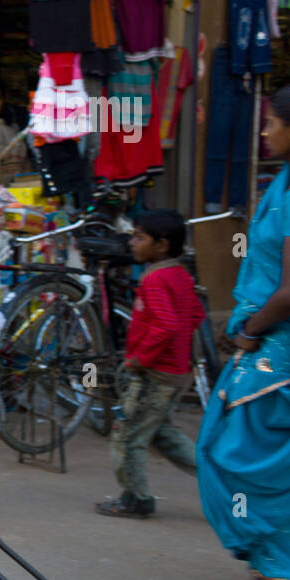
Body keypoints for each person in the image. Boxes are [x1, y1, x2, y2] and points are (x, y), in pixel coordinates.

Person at [197, 84, 290, 580]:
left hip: (273, 353)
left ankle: (276, 572)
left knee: (234, 456)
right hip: (269, 346)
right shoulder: (283, 182)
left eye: (271, 122)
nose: (264, 132)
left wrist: (251, 331)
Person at [95, 209, 203, 518]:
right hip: (176, 372)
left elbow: (166, 326)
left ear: (162, 245)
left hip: (154, 373)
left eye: (140, 237)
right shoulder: (180, 274)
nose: (132, 242)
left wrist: (139, 359)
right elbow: (194, 316)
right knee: (158, 432)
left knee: (128, 435)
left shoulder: (155, 279)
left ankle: (136, 498)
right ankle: (216, 476)